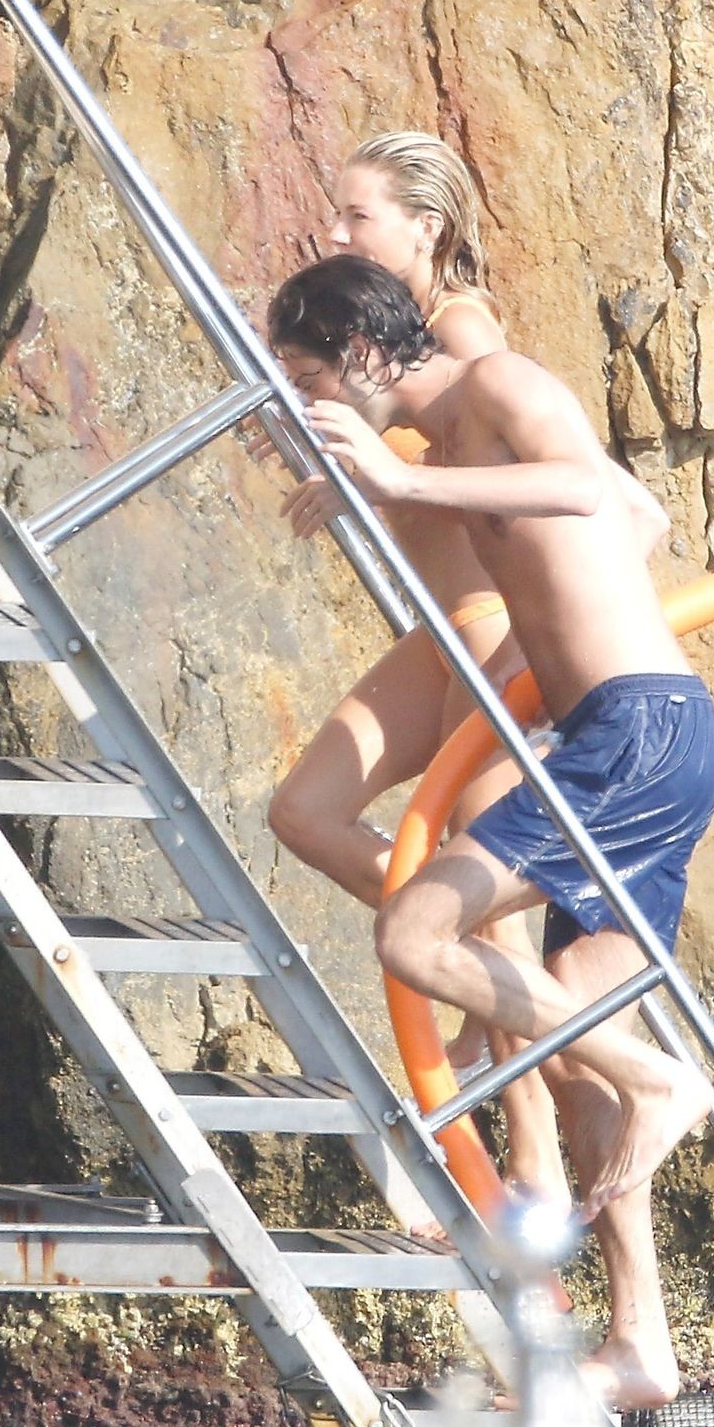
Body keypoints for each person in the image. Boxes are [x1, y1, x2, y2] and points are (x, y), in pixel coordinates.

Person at [266, 254, 714, 1412]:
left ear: (360, 353)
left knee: (415, 935)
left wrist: (396, 481)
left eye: (308, 380)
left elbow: (598, 495)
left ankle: (661, 1082)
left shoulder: (499, 382)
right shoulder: (437, 449)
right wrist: (378, 487)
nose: (306, 405)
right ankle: (641, 1347)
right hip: (616, 740)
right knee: (571, 1053)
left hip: (636, 733)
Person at [266, 131, 567, 1208]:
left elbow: (498, 464)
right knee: (306, 812)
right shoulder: (371, 342)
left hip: (491, 626)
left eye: (358, 216)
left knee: (482, 898)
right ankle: (492, 993)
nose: (337, 232)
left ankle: (533, 1146)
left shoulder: (461, 327)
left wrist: (365, 467)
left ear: (423, 227)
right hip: (440, 632)